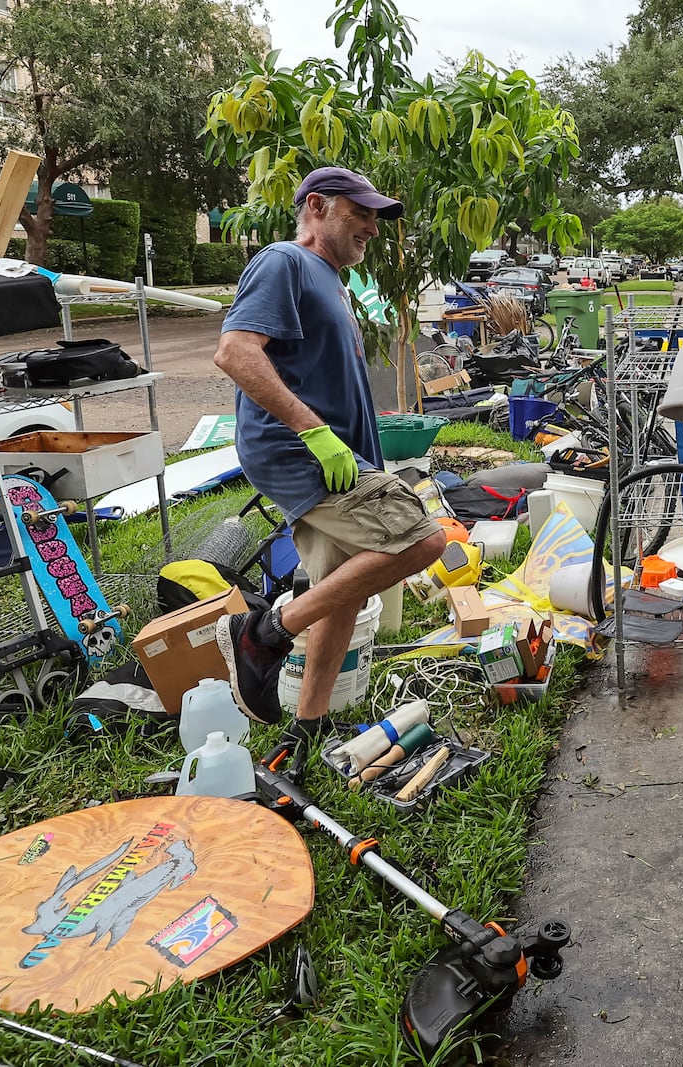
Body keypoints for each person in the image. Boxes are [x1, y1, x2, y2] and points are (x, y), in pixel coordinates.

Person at [211, 167, 447, 767]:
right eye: (360, 212)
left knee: (340, 594)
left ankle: (305, 728)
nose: (372, 225)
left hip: (339, 458)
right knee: (424, 540)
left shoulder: (332, 281)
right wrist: (316, 432)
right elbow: (235, 352)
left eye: (375, 215)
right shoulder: (282, 263)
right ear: (316, 206)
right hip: (299, 452)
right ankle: (265, 632)